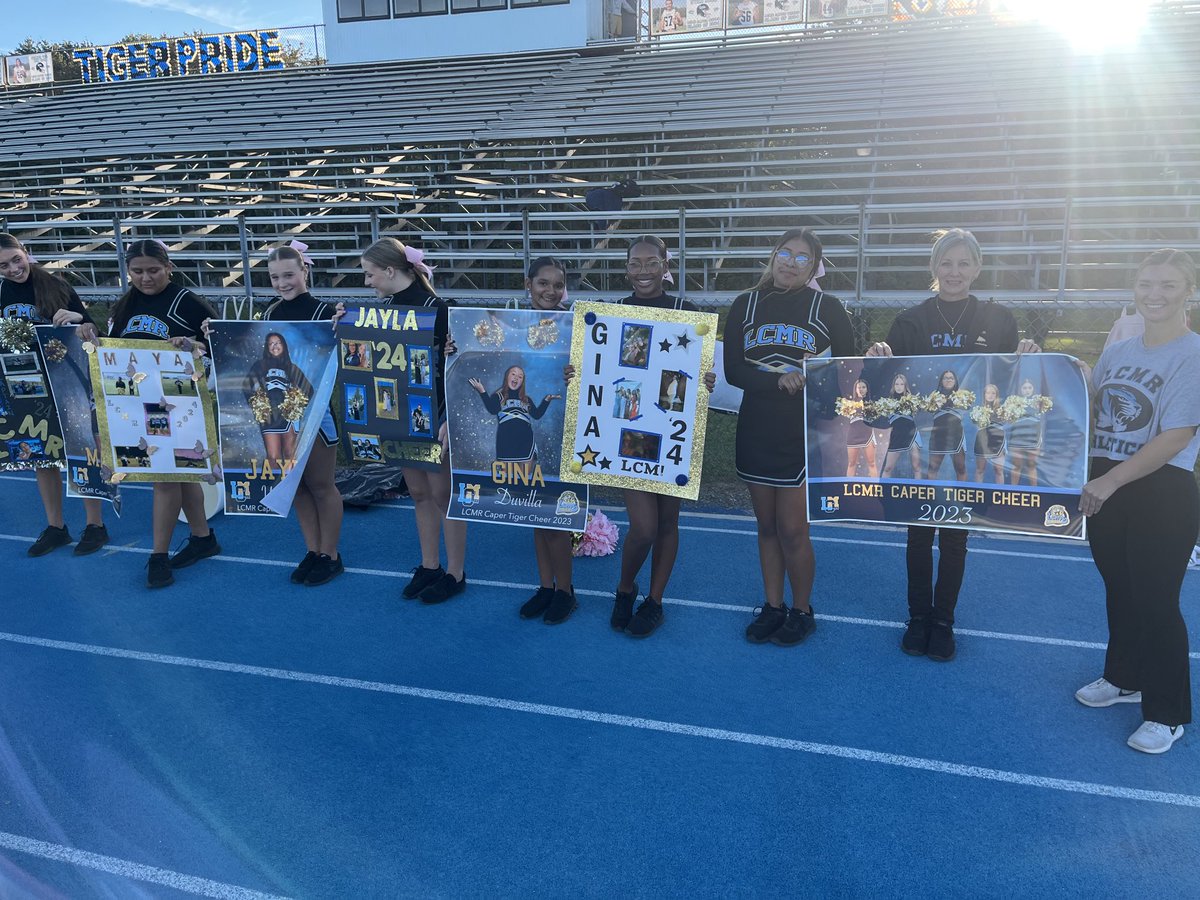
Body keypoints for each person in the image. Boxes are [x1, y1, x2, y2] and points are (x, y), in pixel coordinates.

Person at [866, 228, 1040, 661]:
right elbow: (890, 386)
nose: (955, 272)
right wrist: (879, 354)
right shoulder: (910, 321)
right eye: (947, 263)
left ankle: (944, 620)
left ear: (978, 268)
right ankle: (918, 617)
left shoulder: (999, 320)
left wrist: (1029, 352)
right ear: (934, 268)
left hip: (969, 441)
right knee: (919, 534)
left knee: (957, 538)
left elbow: (1011, 384)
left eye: (964, 263)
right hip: (923, 445)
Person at [1076, 248, 1200, 755]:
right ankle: (1123, 677)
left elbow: (1176, 435)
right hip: (1108, 479)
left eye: (1168, 284)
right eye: (1147, 283)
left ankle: (1168, 713)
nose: (1155, 293)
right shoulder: (1121, 349)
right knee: (1120, 589)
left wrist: (1109, 484)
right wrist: (1057, 367)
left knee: (1156, 599)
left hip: (1161, 488)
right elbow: (1092, 404)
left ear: (1187, 291)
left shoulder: (1193, 353)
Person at [567, 236, 715, 638]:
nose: (643, 270)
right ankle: (624, 588)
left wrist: (707, 381)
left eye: (652, 262)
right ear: (626, 267)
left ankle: (655, 601)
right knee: (645, 527)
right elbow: (592, 369)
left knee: (669, 522)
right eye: (635, 263)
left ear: (666, 264)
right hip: (628, 432)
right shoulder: (611, 313)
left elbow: (701, 380)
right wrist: (575, 375)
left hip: (671, 432)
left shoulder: (688, 314)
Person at [725, 228, 855, 645]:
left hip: (803, 432)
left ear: (814, 266)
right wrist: (777, 381)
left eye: (802, 257)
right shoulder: (745, 304)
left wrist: (817, 387)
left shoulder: (829, 307)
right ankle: (773, 604)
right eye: (785, 253)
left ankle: (802, 610)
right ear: (773, 254)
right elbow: (733, 372)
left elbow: (847, 371)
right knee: (766, 526)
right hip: (757, 426)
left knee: (794, 529)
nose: (791, 262)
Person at [341, 237, 466, 604]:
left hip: (436, 415)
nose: (367, 282)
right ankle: (429, 565)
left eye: (369, 274)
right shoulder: (381, 310)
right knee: (419, 493)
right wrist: (343, 326)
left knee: (444, 495)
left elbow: (456, 369)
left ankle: (456, 572)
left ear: (391, 271)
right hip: (399, 415)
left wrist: (449, 417)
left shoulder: (438, 308)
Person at [107, 238, 220, 588]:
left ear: (169, 267)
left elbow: (222, 347)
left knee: (165, 477)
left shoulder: (189, 303)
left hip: (181, 404)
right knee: (181, 473)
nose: (146, 278)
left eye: (153, 270)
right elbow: (111, 351)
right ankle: (202, 538)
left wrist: (197, 347)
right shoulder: (124, 304)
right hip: (136, 406)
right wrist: (89, 334)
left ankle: (158, 555)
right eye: (137, 271)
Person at [0, 232, 110, 557]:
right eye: (3, 265)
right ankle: (56, 526)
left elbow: (92, 333)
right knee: (39, 455)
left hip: (66, 381)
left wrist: (79, 319)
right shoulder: (1, 291)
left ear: (26, 253)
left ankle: (95, 525)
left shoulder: (56, 286)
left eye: (15, 259)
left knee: (81, 450)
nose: (12, 268)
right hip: (23, 386)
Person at [499, 257, 579, 625]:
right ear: (527, 284)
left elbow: (597, 370)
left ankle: (566, 591)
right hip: (526, 436)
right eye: (543, 283)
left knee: (557, 516)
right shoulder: (509, 325)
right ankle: (546, 586)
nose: (550, 291)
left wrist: (575, 371)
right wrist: (454, 347)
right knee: (534, 511)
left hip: (564, 432)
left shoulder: (577, 326)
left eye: (558, 285)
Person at [260, 244, 345, 587]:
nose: (282, 283)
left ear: (305, 271)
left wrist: (345, 323)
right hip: (282, 416)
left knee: (322, 486)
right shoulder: (269, 314)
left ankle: (331, 554)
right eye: (275, 277)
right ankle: (312, 550)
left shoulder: (328, 311)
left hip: (317, 413)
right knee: (296, 488)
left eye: (289, 274)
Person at [925, 369, 967, 481]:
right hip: (938, 437)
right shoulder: (933, 397)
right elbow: (926, 409)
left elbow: (968, 408)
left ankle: (961, 496)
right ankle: (930, 496)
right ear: (941, 381)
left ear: (955, 381)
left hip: (956, 436)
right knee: (932, 469)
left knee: (961, 468)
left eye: (951, 378)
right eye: (945, 378)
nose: (948, 380)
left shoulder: (962, 397)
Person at [881, 373, 921, 479]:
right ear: (893, 386)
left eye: (901, 384)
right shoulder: (887, 402)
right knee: (888, 468)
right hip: (897, 436)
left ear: (905, 386)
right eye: (896, 384)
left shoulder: (912, 400)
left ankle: (918, 492)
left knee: (916, 467)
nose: (899, 387)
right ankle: (884, 492)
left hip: (911, 434)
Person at [1007, 378, 1044, 486]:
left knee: (1031, 466)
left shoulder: (1040, 403)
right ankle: (1013, 491)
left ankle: (1035, 491)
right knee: (1016, 466)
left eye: (1029, 388)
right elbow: (1008, 421)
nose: (1027, 390)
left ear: (1033, 389)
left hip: (1033, 438)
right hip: (1017, 438)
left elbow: (1042, 421)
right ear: (1020, 390)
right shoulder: (1013, 403)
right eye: (1024, 388)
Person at [843, 378, 878, 478]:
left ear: (867, 389)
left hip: (868, 434)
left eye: (863, 387)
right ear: (855, 389)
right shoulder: (848, 404)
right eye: (859, 387)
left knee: (872, 463)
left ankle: (875, 490)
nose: (861, 389)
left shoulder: (872, 404)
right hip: (853, 434)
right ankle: (849, 488)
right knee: (851, 463)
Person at [972, 383, 1006, 484]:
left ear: (996, 395)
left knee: (999, 471)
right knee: (980, 470)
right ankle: (978, 494)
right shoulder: (978, 410)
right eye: (987, 393)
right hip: (983, 441)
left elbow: (1009, 422)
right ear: (984, 395)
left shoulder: (1002, 410)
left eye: (993, 393)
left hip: (998, 440)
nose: (990, 395)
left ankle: (1000, 495)